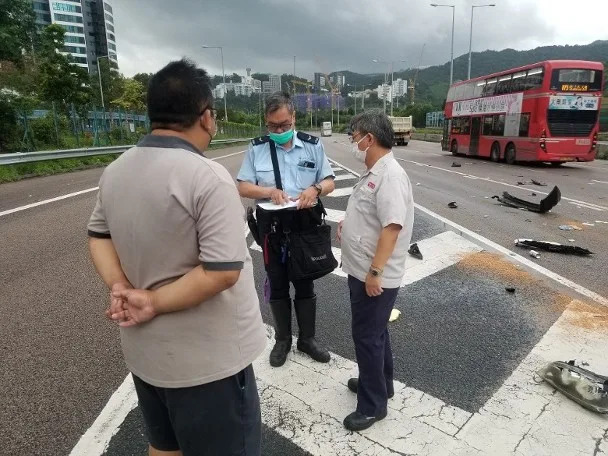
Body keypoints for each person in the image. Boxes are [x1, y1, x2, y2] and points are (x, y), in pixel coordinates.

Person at [87, 59, 266, 456]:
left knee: (164, 447)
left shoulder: (115, 170)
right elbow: (221, 272)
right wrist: (150, 301)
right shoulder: (207, 176)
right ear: (205, 116)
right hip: (207, 363)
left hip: (145, 355)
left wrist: (119, 285)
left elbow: (98, 236)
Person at [237, 92, 335, 368]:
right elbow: (243, 186)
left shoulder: (312, 145)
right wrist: (269, 191)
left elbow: (329, 181)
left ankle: (307, 339)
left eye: (283, 124)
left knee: (305, 281)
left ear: (293, 118)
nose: (278, 131)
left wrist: (315, 189)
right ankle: (283, 340)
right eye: (272, 126)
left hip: (304, 223)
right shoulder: (257, 148)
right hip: (272, 226)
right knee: (277, 284)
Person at [337, 110, 414, 432]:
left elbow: (392, 227)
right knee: (376, 331)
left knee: (367, 336)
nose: (353, 143)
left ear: (369, 138)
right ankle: (382, 384)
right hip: (362, 267)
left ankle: (372, 406)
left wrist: (376, 273)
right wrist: (349, 226)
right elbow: (373, 218)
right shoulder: (375, 172)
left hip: (374, 273)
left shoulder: (390, 176)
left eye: (355, 137)